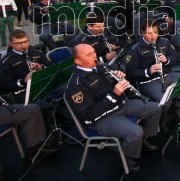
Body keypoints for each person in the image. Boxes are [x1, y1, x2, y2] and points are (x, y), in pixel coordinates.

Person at [66, 43, 161, 172]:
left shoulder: (101, 67)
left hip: (119, 105)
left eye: (94, 52)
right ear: (78, 61)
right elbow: (89, 114)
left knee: (155, 107)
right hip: (102, 118)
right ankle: (126, 155)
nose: (95, 56)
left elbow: (112, 86)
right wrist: (114, 93)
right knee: (135, 131)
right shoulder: (76, 84)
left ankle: (142, 139)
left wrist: (118, 78)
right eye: (89, 54)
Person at [124, 20, 180, 131]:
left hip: (168, 75)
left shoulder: (164, 41)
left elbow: (176, 57)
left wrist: (167, 60)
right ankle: (163, 120)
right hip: (149, 81)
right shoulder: (135, 48)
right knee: (165, 101)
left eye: (155, 32)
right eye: (149, 33)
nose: (153, 35)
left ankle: (179, 109)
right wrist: (148, 70)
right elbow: (130, 72)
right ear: (143, 33)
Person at [0, 30, 52, 104]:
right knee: (43, 104)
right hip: (22, 92)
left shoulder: (37, 52)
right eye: (18, 43)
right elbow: (5, 86)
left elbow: (52, 68)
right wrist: (24, 81)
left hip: (43, 85)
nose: (23, 45)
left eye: (26, 42)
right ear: (10, 44)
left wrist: (41, 69)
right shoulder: (5, 62)